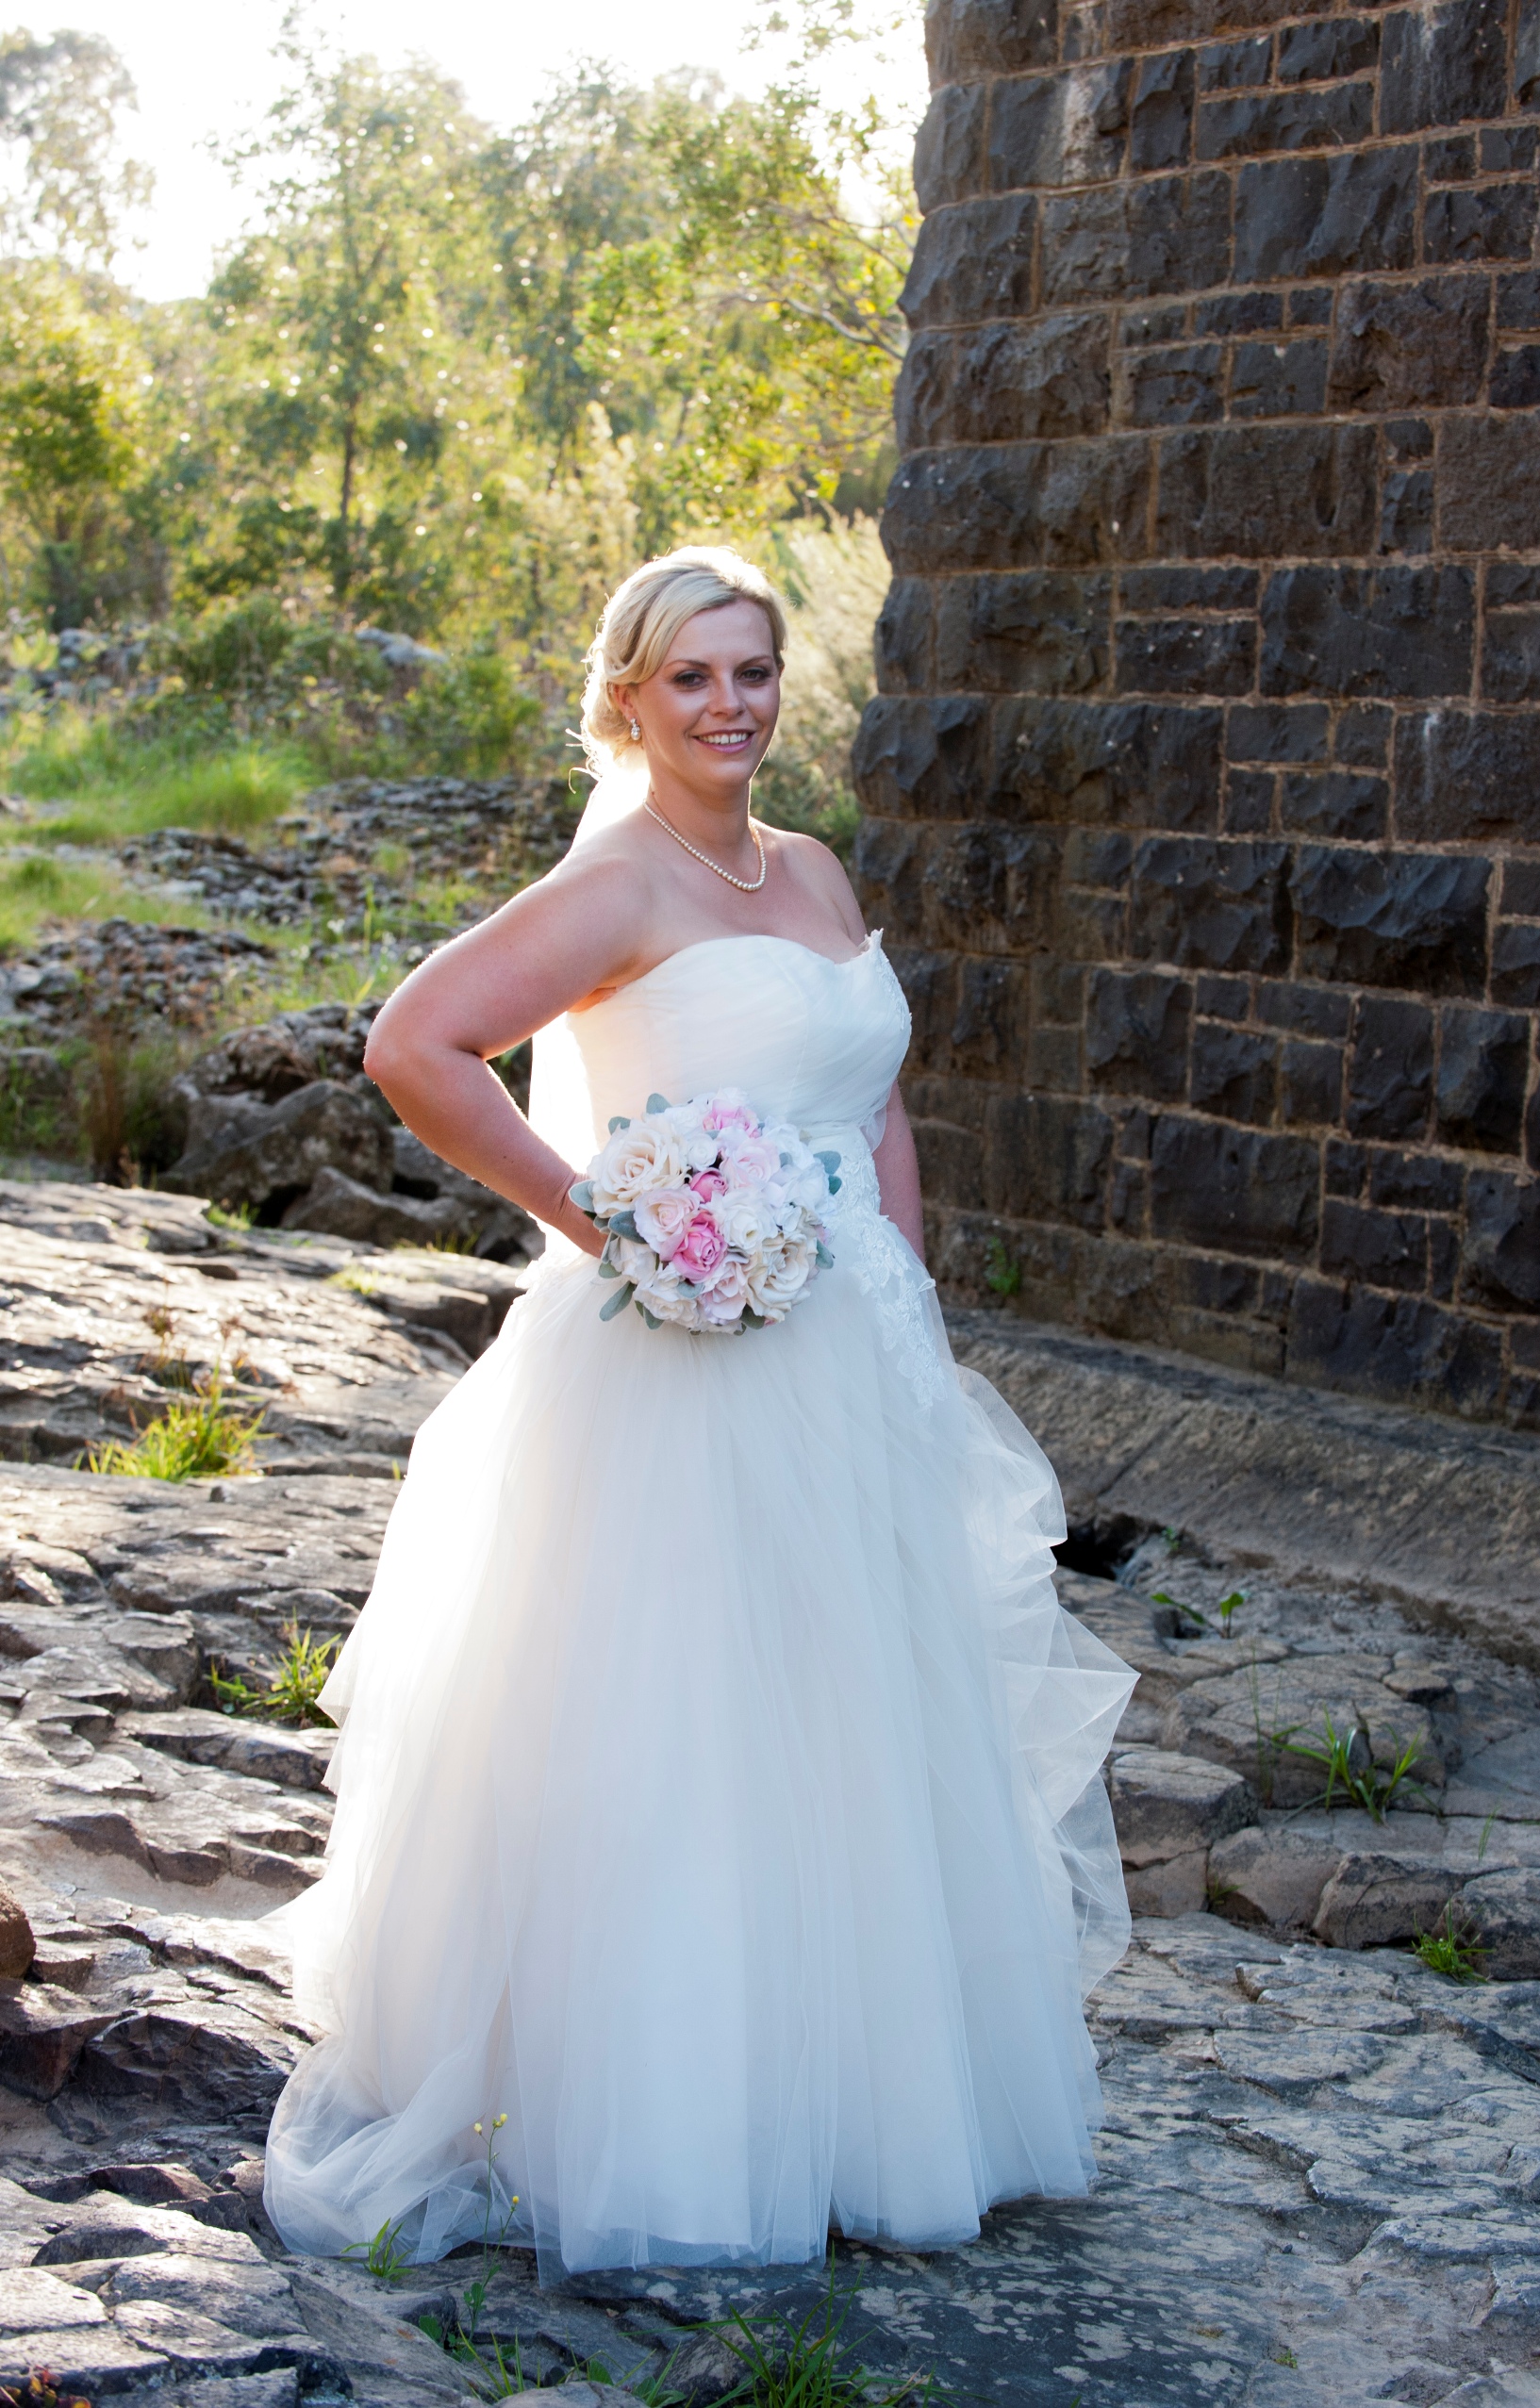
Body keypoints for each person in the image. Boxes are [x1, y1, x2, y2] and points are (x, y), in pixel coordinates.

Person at [262, 544, 1135, 2277]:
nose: (730, 704)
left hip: (850, 1357)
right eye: (693, 679)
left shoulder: (809, 868)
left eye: (752, 671)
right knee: (693, 1736)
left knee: (855, 1732)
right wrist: (614, 1220)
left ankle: (863, 2098)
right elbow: (416, 1043)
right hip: (683, 1360)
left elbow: (869, 1087)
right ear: (630, 701)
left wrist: (908, 1290)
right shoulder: (617, 887)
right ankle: (670, 2119)